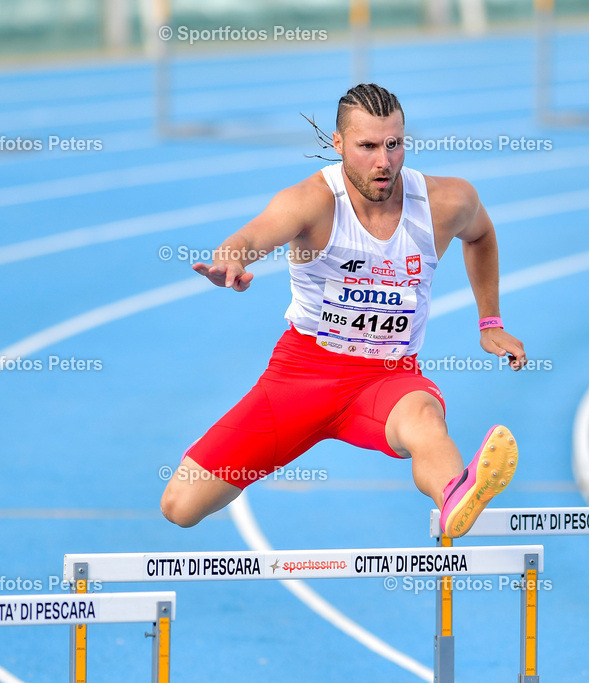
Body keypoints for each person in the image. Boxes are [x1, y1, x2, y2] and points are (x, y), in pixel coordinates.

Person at [160, 83, 527, 538]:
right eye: (368, 146)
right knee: (180, 505)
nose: (384, 161)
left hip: (387, 377)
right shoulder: (312, 201)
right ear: (338, 144)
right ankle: (244, 461)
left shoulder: (445, 201)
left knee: (425, 420)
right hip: (301, 377)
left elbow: (482, 235)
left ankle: (456, 497)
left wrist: (490, 322)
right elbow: (253, 236)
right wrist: (231, 258)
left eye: (394, 145)